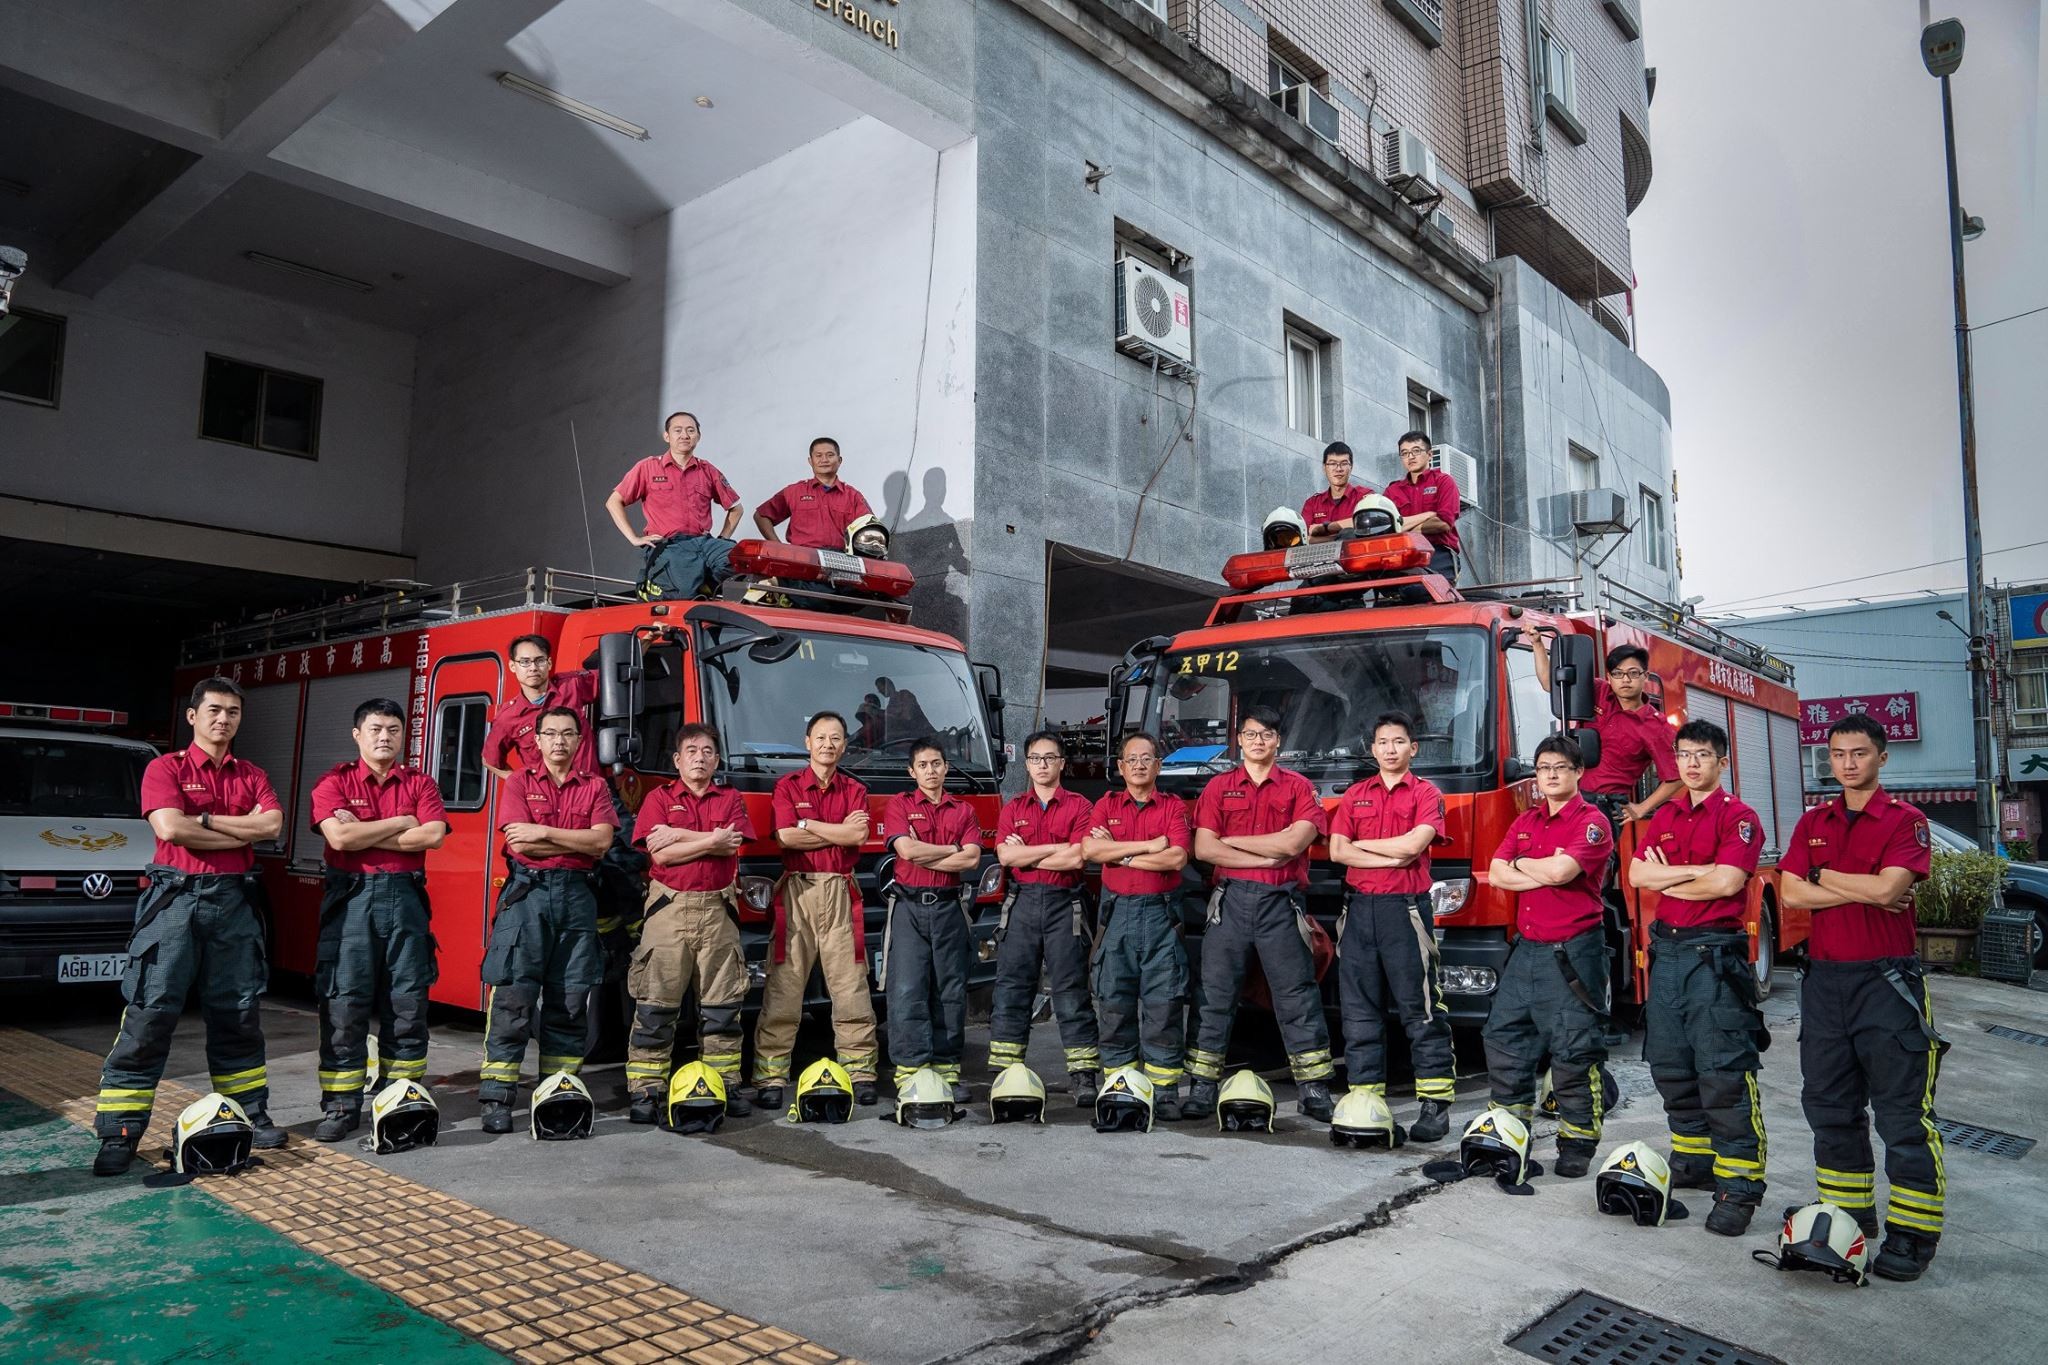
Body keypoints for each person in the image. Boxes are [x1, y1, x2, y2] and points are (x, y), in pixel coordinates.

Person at [93, 677, 286, 1175]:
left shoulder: (252, 774)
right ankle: (120, 1131)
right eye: (215, 710)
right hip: (175, 901)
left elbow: (270, 828)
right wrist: (222, 825)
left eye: (233, 712)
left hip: (234, 903)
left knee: (238, 1013)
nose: (224, 720)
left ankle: (249, 1114)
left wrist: (202, 822)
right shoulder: (165, 767)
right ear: (193, 716)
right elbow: (169, 828)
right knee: (151, 1013)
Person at [1779, 714, 1943, 1281]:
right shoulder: (1812, 821)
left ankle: (1913, 1236)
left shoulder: (1907, 821)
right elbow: (1790, 888)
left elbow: (1891, 889)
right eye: (1838, 754)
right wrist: (1856, 884)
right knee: (1829, 1108)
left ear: (1882, 757)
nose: (1847, 764)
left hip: (1887, 984)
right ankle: (1850, 1219)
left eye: (1860, 753)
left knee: (1902, 1117)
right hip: (1824, 984)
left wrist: (1824, 876)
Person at [1624, 718, 1769, 1234]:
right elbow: (1639, 876)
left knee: (1723, 1074)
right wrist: (1697, 875)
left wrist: (1676, 877)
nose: (1690, 763)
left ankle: (1738, 1188)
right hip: (1668, 955)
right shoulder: (1665, 815)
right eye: (1683, 754)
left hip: (1715, 960)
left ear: (1722, 761)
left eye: (1702, 755)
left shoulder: (1740, 818)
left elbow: (1730, 880)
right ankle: (1694, 1161)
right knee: (1671, 1065)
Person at [1184, 707, 1336, 1122]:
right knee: (1214, 996)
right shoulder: (1218, 787)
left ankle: (1315, 1089)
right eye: (1250, 734)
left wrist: (1234, 843)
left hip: (1280, 903)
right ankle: (1201, 1087)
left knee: (1297, 996)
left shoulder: (1300, 787)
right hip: (1228, 903)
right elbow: (1203, 849)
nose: (1257, 741)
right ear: (1239, 739)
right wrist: (1266, 848)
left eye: (1266, 734)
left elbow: (1293, 845)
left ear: (1278, 740)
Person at [308, 698, 449, 1142]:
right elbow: (340, 837)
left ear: (403, 734)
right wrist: (400, 822)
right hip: (351, 898)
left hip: (405, 899)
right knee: (344, 1004)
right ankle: (340, 1105)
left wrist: (370, 828)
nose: (384, 736)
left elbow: (434, 835)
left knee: (407, 1002)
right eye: (375, 729)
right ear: (357, 734)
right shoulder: (334, 781)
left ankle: (400, 1098)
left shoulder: (421, 782)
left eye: (392, 728)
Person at [477, 706, 615, 1134]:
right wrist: (572, 841)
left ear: (579, 741)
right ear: (536, 740)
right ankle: (497, 1099)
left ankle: (559, 1090)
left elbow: (602, 842)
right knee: (514, 998)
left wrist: (545, 833)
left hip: (577, 898)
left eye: (568, 734)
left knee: (571, 1001)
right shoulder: (519, 781)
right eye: (550, 733)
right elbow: (519, 844)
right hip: (528, 896)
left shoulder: (594, 786)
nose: (559, 741)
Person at [1483, 733, 1615, 1177]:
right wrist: (1534, 869)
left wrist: (1527, 867)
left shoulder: (1592, 822)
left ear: (1578, 772)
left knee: (1573, 1050)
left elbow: (1563, 871)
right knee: (1505, 1038)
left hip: (1573, 953)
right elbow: (1497, 873)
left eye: (1560, 767)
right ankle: (1508, 1132)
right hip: (1527, 951)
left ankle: (1576, 1144)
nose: (1551, 775)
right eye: (1543, 768)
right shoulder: (1526, 822)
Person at [1328, 712, 1455, 1143]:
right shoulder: (1355, 795)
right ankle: (1367, 1102)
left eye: (1398, 742)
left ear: (1412, 748)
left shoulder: (1426, 793)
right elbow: (1337, 851)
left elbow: (1413, 847)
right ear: (1372, 748)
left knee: (1420, 1009)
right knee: (1359, 1012)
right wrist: (1387, 853)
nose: (1389, 749)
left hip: (1406, 911)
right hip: (1360, 911)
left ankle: (1435, 1106)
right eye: (1382, 742)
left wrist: (1361, 846)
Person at [626, 723, 755, 1124]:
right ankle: (647, 1089)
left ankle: (723, 1084)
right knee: (655, 1006)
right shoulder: (658, 799)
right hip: (669, 910)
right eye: (692, 751)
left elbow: (731, 843)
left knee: (723, 1008)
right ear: (678, 760)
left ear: (717, 759)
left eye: (708, 751)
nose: (700, 757)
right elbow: (660, 858)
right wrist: (710, 841)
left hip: (719, 911)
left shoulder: (730, 797)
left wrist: (681, 836)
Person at [754, 712, 880, 1108]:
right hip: (797, 893)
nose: (828, 744)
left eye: (836, 738)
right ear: (807, 742)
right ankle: (771, 1077)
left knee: (851, 989)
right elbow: (787, 838)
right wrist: (831, 830)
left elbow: (857, 834)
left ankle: (860, 1072)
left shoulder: (855, 789)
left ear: (845, 745)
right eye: (821, 737)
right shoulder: (787, 785)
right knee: (784, 989)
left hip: (841, 893)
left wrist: (809, 822)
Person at [1082, 732, 1194, 1120]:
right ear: (1120, 767)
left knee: (1164, 1005)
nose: (1140, 765)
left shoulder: (1173, 806)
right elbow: (1091, 851)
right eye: (1133, 759)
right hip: (1117, 916)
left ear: (1158, 766)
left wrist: (1122, 855)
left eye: (1148, 758)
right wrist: (1147, 847)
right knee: (1113, 1002)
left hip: (1161, 915)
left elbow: (1176, 857)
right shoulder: (1106, 804)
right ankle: (1119, 1086)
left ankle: (1164, 1092)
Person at [990, 731, 1102, 1104]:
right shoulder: (1013, 808)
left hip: (1064, 906)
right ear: (1026, 764)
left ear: (1062, 763)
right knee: (1012, 989)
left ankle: (1084, 1077)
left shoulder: (1080, 806)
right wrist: (1057, 848)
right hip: (1021, 904)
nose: (1042, 765)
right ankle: (1007, 1074)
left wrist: (1031, 853)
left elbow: (1077, 858)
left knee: (1071, 992)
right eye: (1035, 759)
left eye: (1050, 758)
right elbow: (1006, 859)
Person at [880, 738, 984, 1102]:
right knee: (907, 990)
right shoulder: (899, 805)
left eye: (936, 763)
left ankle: (947, 1071)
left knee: (949, 991)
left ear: (946, 767)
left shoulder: (964, 810)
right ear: (912, 771)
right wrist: (951, 850)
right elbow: (904, 851)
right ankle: (911, 1072)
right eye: (923, 765)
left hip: (949, 907)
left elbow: (971, 860)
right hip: (908, 908)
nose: (931, 770)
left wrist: (927, 855)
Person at [1530, 637, 1681, 828]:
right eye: (1618, 673)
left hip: (1605, 806)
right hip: (1568, 796)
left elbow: (1676, 777)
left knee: (1588, 856)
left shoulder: (1657, 727)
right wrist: (1537, 644)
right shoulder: (1598, 691)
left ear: (1646, 676)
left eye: (1633, 673)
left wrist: (1642, 808)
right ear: (1609, 677)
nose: (1625, 680)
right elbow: (1549, 685)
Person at [604, 410, 743, 599]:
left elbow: (736, 509)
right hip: (670, 545)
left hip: (703, 542)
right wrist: (633, 538)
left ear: (698, 436)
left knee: (740, 559)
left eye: (690, 431)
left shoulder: (708, 470)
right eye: (678, 430)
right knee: (682, 592)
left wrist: (723, 538)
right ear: (667, 436)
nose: (685, 435)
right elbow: (614, 502)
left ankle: (706, 585)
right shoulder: (648, 467)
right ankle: (670, 586)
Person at [482, 635, 599, 780]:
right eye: (525, 662)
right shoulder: (508, 717)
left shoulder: (572, 686)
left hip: (592, 792)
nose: (533, 668)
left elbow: (617, 678)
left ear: (549, 663)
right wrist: (522, 783)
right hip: (549, 799)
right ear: (513, 666)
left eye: (540, 661)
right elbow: (489, 760)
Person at [754, 437, 875, 549]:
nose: (824, 460)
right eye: (818, 455)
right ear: (810, 461)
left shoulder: (853, 496)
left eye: (830, 455)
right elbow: (761, 516)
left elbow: (871, 528)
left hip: (841, 560)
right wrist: (779, 548)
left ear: (839, 460)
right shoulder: (794, 492)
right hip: (802, 559)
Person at [1383, 430, 1461, 582]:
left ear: (1430, 454)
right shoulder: (1392, 491)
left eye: (1416, 451)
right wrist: (1428, 515)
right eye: (1404, 453)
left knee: (1420, 589)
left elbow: (1443, 523)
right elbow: (1387, 529)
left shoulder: (1444, 482)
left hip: (1438, 552)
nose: (1410, 457)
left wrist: (1405, 528)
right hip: (1402, 555)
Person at [1302, 441, 1373, 542]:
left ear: (1351, 467)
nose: (1338, 469)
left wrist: (1326, 528)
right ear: (1324, 468)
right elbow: (1304, 539)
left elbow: (1368, 523)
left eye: (1344, 463)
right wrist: (1339, 536)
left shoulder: (1365, 496)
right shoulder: (1312, 504)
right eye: (1332, 464)